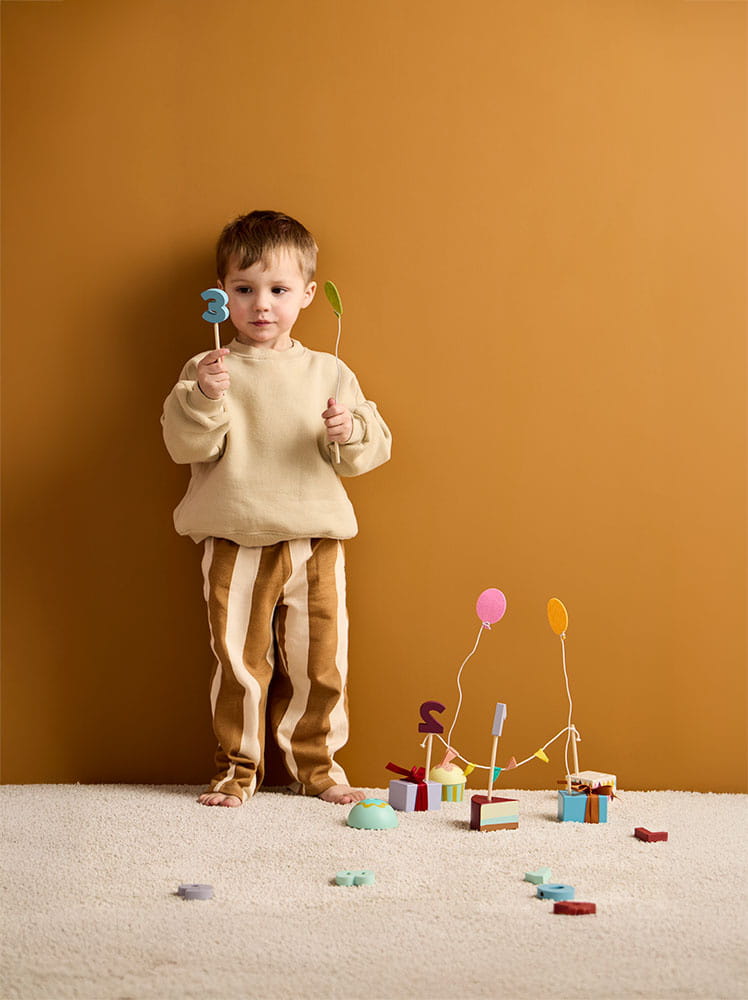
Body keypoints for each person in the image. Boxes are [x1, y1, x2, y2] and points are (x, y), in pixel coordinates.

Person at [162, 210, 392, 807]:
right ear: (221, 294)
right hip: (232, 538)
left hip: (314, 541)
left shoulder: (328, 371)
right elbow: (185, 445)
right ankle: (237, 770)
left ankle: (318, 769)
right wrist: (204, 397)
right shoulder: (209, 368)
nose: (261, 305)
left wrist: (349, 430)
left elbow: (366, 452)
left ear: (308, 295)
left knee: (320, 664)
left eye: (279, 290)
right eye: (244, 289)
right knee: (238, 664)